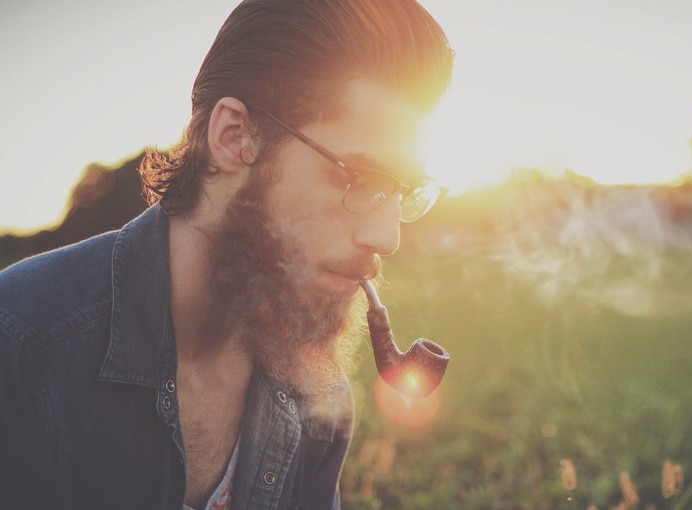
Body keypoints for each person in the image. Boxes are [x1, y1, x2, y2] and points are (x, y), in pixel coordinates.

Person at [0, 0, 453, 508]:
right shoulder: (22, 352)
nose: (386, 236)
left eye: (404, 192)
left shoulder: (321, 406)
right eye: (363, 178)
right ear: (235, 137)